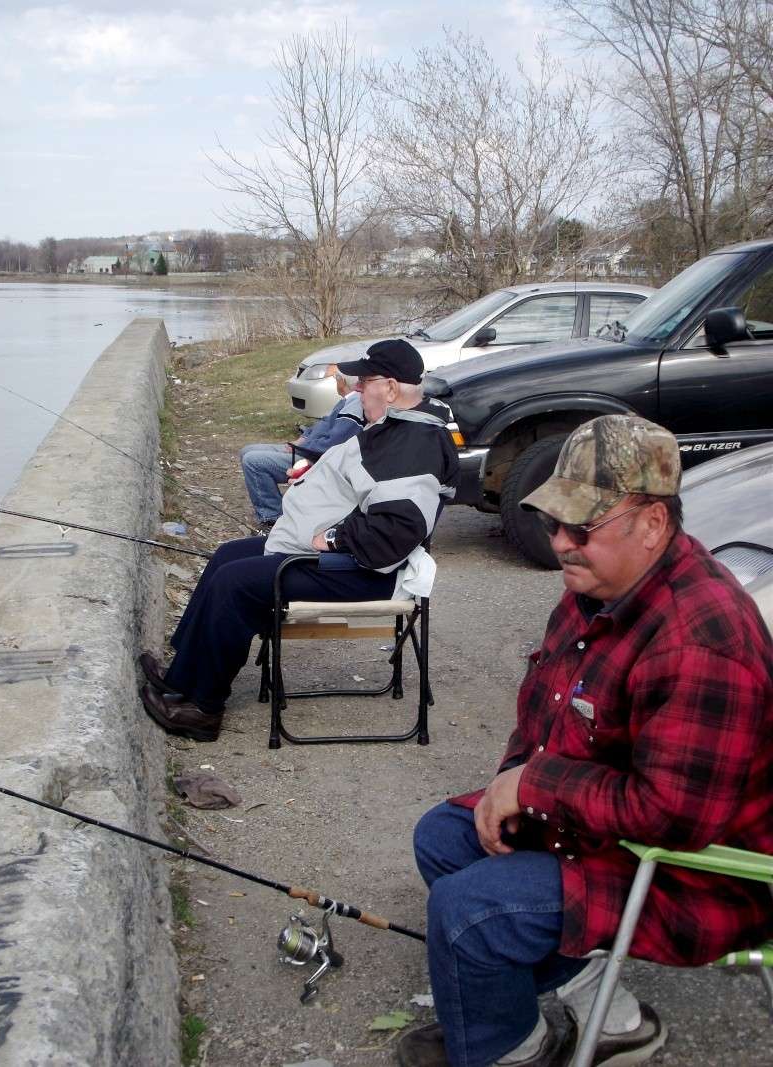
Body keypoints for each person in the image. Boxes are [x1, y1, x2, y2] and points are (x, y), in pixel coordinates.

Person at [398, 415, 773, 1067]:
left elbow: (675, 817)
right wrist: (510, 780)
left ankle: (504, 1053)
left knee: (469, 913)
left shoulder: (701, 642)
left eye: (582, 527)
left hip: (700, 870)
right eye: (553, 523)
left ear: (653, 523)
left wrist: (533, 786)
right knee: (444, 835)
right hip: (608, 831)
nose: (562, 543)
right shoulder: (597, 587)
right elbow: (543, 707)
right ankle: (568, 1017)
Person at [139, 339, 460, 742]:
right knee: (226, 556)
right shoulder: (397, 426)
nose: (356, 390)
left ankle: (202, 708)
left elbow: (394, 533)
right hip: (342, 556)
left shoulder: (415, 446)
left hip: (364, 571)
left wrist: (332, 536)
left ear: (392, 388)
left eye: (364, 382)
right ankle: (181, 677)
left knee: (235, 583)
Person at [240, 369, 364, 529]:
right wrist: (302, 438)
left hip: (315, 459)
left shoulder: (354, 404)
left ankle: (272, 518)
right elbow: (322, 425)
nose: (335, 382)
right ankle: (271, 511)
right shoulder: (346, 400)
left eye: (335, 379)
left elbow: (332, 444)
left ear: (342, 382)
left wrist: (300, 447)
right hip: (305, 448)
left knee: (253, 462)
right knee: (247, 450)